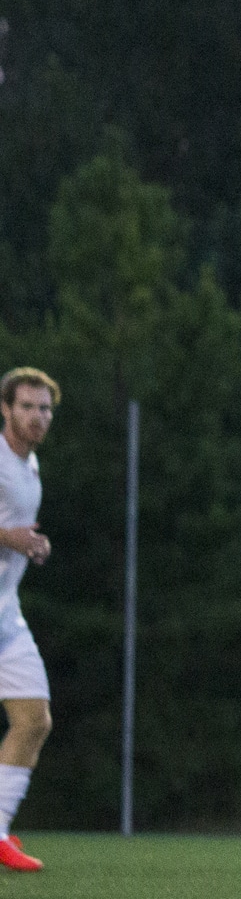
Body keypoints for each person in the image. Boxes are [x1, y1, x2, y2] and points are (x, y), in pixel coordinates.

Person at [0, 367, 58, 873]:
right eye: (27, 407)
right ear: (5, 408)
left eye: (45, 409)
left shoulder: (30, 464)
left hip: (5, 615)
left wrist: (29, 545)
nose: (38, 417)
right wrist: (10, 538)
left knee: (34, 720)